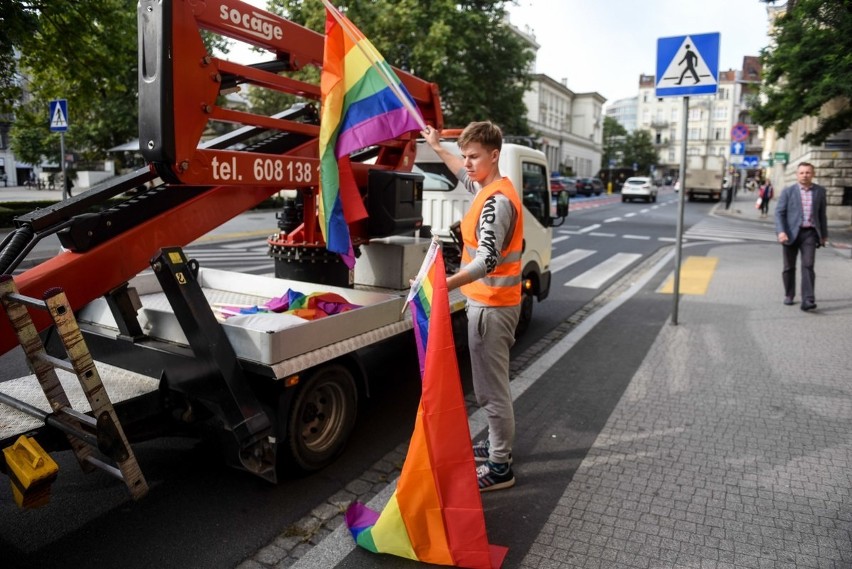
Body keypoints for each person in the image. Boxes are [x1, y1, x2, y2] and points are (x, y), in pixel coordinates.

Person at [422, 121, 523, 492]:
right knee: (491, 389)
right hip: (492, 304)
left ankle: (500, 468)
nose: (466, 163)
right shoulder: (489, 187)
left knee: (490, 392)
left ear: (494, 155)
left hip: (492, 308)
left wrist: (443, 284)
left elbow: (487, 261)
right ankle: (498, 448)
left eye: (474, 156)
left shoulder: (495, 202)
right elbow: (457, 170)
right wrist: (437, 146)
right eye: (464, 155)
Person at [774, 162, 828, 311]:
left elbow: (822, 214)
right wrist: (781, 231)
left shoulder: (820, 191)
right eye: (802, 173)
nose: (805, 175)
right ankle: (789, 294)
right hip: (790, 234)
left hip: (810, 234)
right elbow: (779, 213)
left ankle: (808, 299)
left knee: (808, 266)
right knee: (789, 267)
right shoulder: (788, 191)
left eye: (808, 172)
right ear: (797, 175)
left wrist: (823, 234)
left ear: (813, 174)